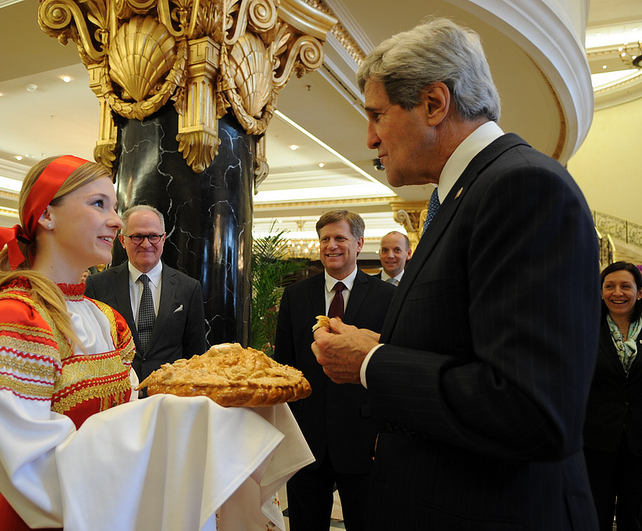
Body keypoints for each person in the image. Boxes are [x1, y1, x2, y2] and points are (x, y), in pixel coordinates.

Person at [311, 18, 600, 530]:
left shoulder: (523, 187)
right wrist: (381, 346)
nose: (371, 137)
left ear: (434, 104)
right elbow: (466, 346)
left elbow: (531, 408)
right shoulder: (465, 194)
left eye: (377, 114)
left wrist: (372, 363)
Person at [0, 156, 308, 530]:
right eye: (98, 204)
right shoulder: (14, 321)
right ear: (46, 215)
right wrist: (173, 418)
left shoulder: (104, 319)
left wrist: (209, 414)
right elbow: (35, 476)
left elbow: (126, 408)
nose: (116, 221)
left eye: (115, 207)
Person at [274, 210, 395, 531]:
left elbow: (390, 369)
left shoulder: (388, 297)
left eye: (340, 238)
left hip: (363, 436)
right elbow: (285, 367)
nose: (331, 245)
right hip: (306, 439)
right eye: (325, 239)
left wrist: (386, 431)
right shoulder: (296, 295)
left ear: (359, 243)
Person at [85, 204, 207, 389]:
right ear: (123, 240)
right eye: (137, 237)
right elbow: (91, 351)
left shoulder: (188, 288)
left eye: (153, 236)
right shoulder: (97, 286)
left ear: (163, 238)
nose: (146, 244)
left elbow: (196, 355)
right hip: (117, 396)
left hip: (170, 396)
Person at [584, 261, 642, 531]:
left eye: (625, 286)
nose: (617, 292)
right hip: (596, 438)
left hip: (638, 440)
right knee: (597, 512)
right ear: (601, 291)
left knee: (635, 514)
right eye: (609, 286)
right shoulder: (585, 328)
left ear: (638, 293)